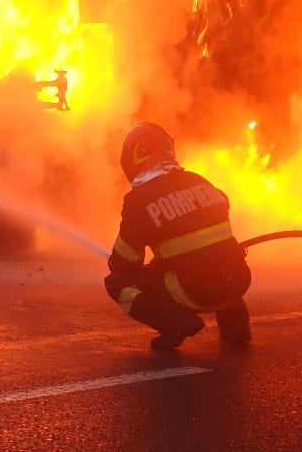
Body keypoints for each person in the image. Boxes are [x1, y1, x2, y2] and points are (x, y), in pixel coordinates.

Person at [106, 122, 252, 350]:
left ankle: (174, 322)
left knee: (116, 283)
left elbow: (125, 264)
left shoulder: (139, 200)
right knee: (218, 262)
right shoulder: (199, 180)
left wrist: (119, 263)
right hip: (237, 281)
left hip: (195, 290)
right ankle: (236, 326)